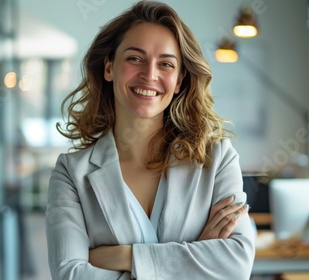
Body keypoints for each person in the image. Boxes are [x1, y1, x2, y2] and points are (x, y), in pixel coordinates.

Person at [45, 1, 255, 279]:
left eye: (166, 64)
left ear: (179, 80)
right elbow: (69, 274)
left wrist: (125, 256)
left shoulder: (217, 158)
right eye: (134, 58)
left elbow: (236, 264)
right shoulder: (72, 173)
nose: (150, 74)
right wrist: (198, 255)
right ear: (109, 68)